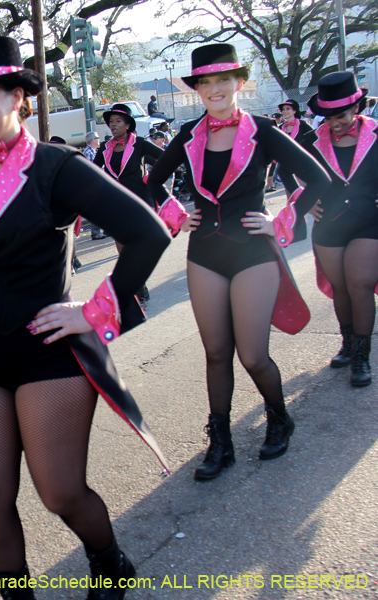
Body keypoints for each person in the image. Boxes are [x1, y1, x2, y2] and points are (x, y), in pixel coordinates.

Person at [0, 35, 171, 600]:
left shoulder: (55, 166)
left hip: (49, 355)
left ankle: (110, 564)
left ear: (18, 98)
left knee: (60, 494)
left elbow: (148, 233)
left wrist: (95, 311)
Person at [147, 43, 331, 481]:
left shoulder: (263, 130)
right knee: (215, 354)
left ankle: (279, 418)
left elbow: (318, 179)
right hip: (204, 253)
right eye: (205, 82)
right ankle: (221, 442)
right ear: (196, 89)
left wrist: (280, 221)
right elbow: (153, 180)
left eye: (223, 80)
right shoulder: (189, 134)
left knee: (252, 355)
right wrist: (176, 214)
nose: (215, 89)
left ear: (240, 83)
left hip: (252, 253)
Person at [298, 72, 378, 387]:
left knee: (360, 285)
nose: (335, 123)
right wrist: (303, 201)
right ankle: (347, 343)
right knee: (341, 287)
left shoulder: (376, 134)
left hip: (368, 221)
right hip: (329, 224)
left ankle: (361, 357)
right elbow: (290, 171)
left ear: (356, 107)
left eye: (341, 116)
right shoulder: (311, 140)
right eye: (329, 117)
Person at [95, 103, 164, 307]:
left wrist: (153, 179)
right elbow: (91, 171)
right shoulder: (104, 148)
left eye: (118, 121)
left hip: (140, 202)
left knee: (138, 249)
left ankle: (138, 287)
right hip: (117, 204)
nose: (113, 125)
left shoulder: (139, 144)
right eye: (111, 122)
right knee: (124, 251)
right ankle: (140, 288)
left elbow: (166, 159)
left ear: (127, 125)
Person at [275, 99, 315, 241]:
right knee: (292, 199)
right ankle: (297, 231)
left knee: (302, 197)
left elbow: (313, 142)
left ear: (294, 111)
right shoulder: (280, 128)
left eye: (288, 109)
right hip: (285, 167)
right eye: (283, 109)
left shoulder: (304, 126)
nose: (285, 111)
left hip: (302, 166)